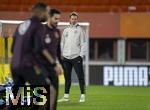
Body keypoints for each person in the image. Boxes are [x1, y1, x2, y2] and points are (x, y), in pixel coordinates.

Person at [10, 2, 58, 110]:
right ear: (42, 12)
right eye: (47, 12)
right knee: (50, 91)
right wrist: (53, 63)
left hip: (14, 66)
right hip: (28, 66)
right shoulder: (38, 26)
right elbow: (39, 48)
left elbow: (13, 48)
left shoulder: (22, 25)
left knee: (15, 100)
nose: (48, 14)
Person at [58, 12, 87, 102]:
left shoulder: (80, 30)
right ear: (69, 19)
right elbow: (62, 42)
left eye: (75, 19)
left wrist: (81, 56)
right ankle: (66, 97)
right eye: (72, 19)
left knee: (80, 76)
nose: (73, 20)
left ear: (77, 20)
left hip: (76, 57)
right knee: (67, 77)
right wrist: (62, 53)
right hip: (66, 57)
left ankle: (82, 95)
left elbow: (84, 43)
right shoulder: (66, 30)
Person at [38, 8, 62, 110]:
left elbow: (58, 51)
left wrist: (62, 64)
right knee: (45, 90)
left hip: (52, 67)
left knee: (55, 91)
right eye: (55, 18)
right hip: (40, 66)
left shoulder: (57, 32)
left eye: (59, 19)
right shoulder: (41, 30)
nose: (58, 21)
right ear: (49, 18)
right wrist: (54, 64)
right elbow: (40, 49)